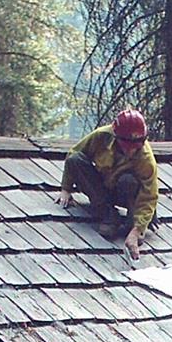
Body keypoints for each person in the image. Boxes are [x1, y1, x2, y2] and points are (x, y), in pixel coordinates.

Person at [55, 108, 158, 262]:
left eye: (135, 147)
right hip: (103, 187)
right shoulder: (101, 136)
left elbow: (149, 195)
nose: (131, 151)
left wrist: (137, 230)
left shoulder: (146, 159)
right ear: (116, 138)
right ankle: (108, 214)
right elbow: (74, 154)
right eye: (127, 146)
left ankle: (133, 223)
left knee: (128, 181)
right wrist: (66, 188)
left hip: (128, 193)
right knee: (76, 160)